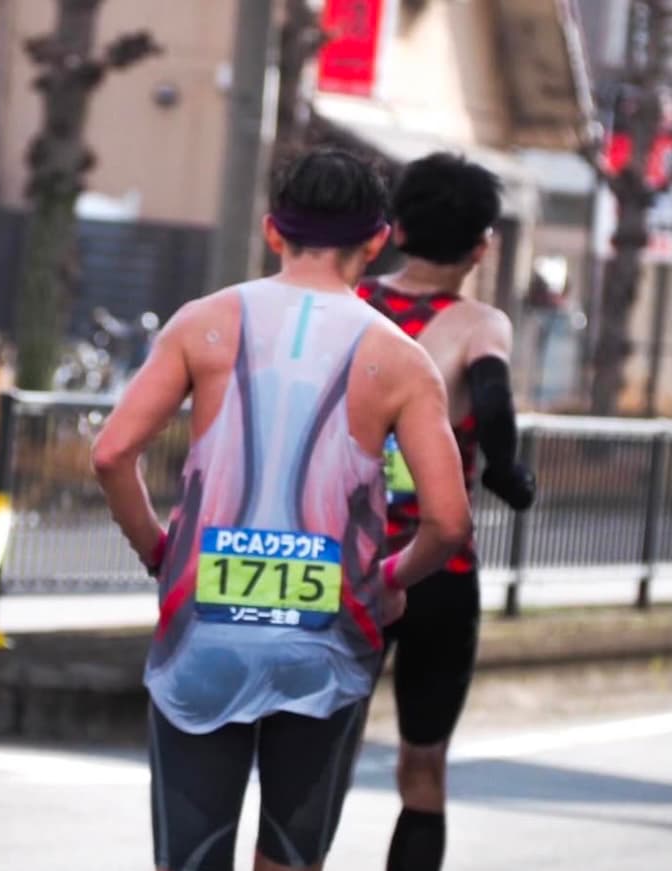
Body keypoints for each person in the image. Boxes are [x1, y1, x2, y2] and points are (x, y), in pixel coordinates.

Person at [91, 148, 472, 871]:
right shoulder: (400, 359)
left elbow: (111, 453)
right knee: (292, 859)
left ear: (273, 231)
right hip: (330, 634)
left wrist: (158, 551)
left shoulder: (202, 324)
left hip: (202, 626)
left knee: (191, 859)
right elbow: (448, 523)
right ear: (376, 241)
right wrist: (390, 579)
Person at [356, 152, 537, 871]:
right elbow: (492, 401)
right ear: (482, 246)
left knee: (319, 752)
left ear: (396, 229)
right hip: (439, 568)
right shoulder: (478, 322)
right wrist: (506, 473)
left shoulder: (352, 304)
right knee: (424, 765)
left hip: (348, 563)